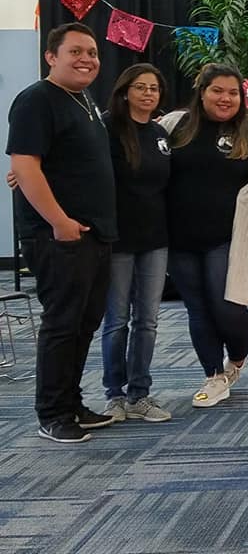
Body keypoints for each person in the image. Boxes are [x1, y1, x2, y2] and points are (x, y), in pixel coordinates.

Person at [160, 63, 248, 407]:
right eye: (217, 90)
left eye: (233, 92)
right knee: (198, 308)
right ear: (201, 92)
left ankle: (236, 359)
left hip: (227, 239)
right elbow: (141, 158)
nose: (225, 98)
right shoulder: (173, 126)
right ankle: (213, 375)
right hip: (179, 239)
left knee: (227, 306)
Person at [6, 22, 117, 443]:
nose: (87, 58)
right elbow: (25, 165)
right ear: (52, 56)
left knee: (83, 321)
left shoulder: (82, 99)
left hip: (93, 233)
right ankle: (52, 413)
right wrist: (58, 221)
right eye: (76, 51)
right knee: (62, 322)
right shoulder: (37, 100)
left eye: (92, 51)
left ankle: (71, 402)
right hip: (58, 236)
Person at [100, 64, 173, 423]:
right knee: (116, 320)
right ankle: (114, 395)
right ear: (125, 90)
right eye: (141, 87)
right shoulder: (106, 129)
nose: (148, 93)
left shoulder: (160, 133)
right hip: (117, 240)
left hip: (155, 240)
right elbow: (77, 166)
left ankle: (139, 395)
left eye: (154, 88)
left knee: (148, 320)